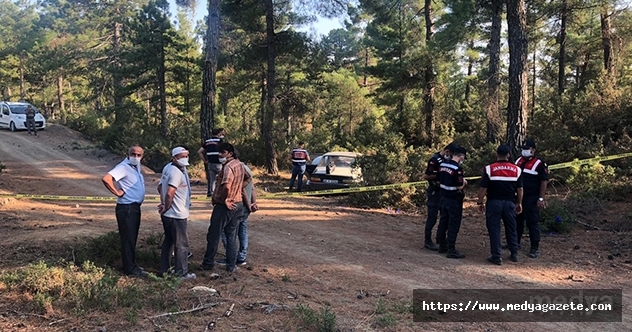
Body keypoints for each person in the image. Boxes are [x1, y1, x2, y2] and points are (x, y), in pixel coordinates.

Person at [200, 143, 252, 273]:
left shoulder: (228, 167)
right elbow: (248, 178)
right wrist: (238, 189)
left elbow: (227, 186)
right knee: (231, 235)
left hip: (225, 206)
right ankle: (231, 265)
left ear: (229, 153)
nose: (220, 155)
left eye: (222, 153)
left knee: (213, 234)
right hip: (238, 204)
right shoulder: (239, 164)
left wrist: (226, 199)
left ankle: (208, 263)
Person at [102, 145, 147, 277]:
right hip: (127, 207)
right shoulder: (123, 167)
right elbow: (106, 179)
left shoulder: (136, 167)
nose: (136, 157)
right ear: (128, 154)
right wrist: (117, 192)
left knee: (132, 237)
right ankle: (129, 269)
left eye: (139, 155)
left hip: (133, 207)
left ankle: (131, 264)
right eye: (133, 154)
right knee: (128, 238)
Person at [476, 145, 523, 265]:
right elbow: (520, 189)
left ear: (497, 154)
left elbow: (483, 188)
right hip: (509, 203)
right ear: (508, 155)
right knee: (511, 228)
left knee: (494, 229)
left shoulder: (489, 169)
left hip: (494, 203)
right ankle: (514, 253)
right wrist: (519, 202)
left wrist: (480, 202)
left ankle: (496, 256)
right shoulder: (517, 169)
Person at [157, 147, 196, 280]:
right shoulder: (175, 172)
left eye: (187, 155)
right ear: (174, 157)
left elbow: (160, 186)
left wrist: (163, 205)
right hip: (176, 214)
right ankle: (181, 273)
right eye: (181, 156)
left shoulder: (169, 168)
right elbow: (169, 192)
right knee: (181, 244)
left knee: (169, 241)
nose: (185, 158)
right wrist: (166, 206)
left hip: (169, 214)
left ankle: (164, 269)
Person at [218, 149, 259, 266]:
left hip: (239, 204)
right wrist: (254, 203)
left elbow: (241, 191)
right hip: (246, 205)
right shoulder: (247, 168)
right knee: (242, 229)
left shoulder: (236, 169)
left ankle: (232, 256)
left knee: (227, 231)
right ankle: (241, 256)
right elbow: (252, 188)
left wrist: (248, 205)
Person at [515, 139, 549, 258]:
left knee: (532, 223)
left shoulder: (540, 163)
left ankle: (534, 247)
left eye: (526, 149)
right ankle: (515, 243)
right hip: (519, 197)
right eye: (523, 149)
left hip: (532, 197)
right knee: (517, 221)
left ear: (533, 150)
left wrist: (541, 198)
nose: (524, 151)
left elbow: (544, 181)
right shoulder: (518, 160)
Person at [422, 142, 457, 251]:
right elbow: (426, 176)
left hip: (444, 192)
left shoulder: (447, 161)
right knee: (432, 216)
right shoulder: (435, 160)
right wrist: (440, 175)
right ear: (447, 151)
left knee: (444, 216)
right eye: (451, 154)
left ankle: (440, 238)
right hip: (434, 191)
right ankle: (427, 239)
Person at [436, 146, 468, 259]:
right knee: (453, 224)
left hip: (443, 197)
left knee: (443, 221)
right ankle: (451, 249)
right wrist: (464, 182)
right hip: (454, 200)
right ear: (461, 157)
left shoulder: (443, 165)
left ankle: (442, 245)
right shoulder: (457, 169)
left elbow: (439, 180)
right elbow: (459, 186)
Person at [198, 128, 225, 197]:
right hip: (219, 163)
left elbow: (200, 152)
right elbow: (224, 150)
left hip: (210, 163)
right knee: (222, 178)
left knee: (212, 179)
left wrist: (205, 160)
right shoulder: (219, 141)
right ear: (219, 134)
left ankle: (211, 193)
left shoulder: (207, 141)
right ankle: (221, 193)